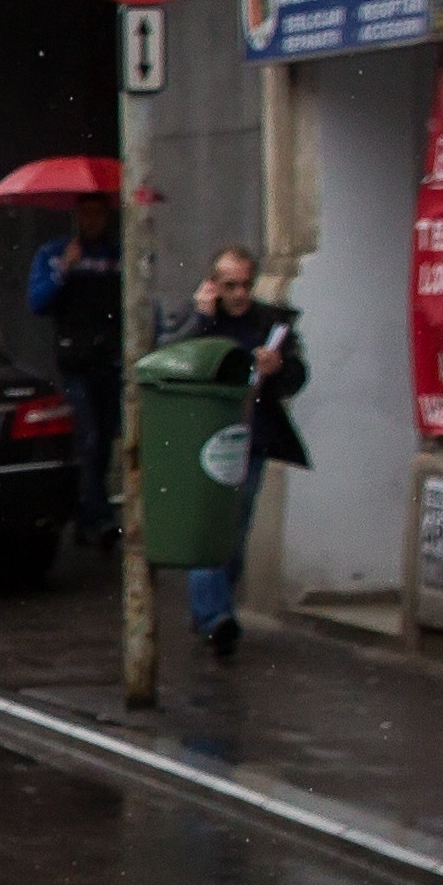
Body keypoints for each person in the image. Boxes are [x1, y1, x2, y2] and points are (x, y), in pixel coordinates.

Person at [162, 243, 312, 659]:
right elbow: (168, 358)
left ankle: (214, 607)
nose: (240, 294)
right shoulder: (198, 318)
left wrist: (277, 368)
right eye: (230, 285)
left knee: (235, 530)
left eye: (246, 284)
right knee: (208, 527)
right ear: (213, 285)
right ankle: (214, 616)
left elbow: (297, 376)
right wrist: (201, 320)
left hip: (252, 437)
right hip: (204, 438)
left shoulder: (270, 322)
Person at [24, 196, 123, 542]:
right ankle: (98, 513)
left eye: (98, 214)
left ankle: (88, 514)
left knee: (106, 439)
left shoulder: (116, 254)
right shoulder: (53, 253)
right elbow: (38, 301)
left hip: (109, 359)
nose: (92, 220)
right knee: (88, 437)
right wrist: (63, 270)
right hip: (75, 360)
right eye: (86, 213)